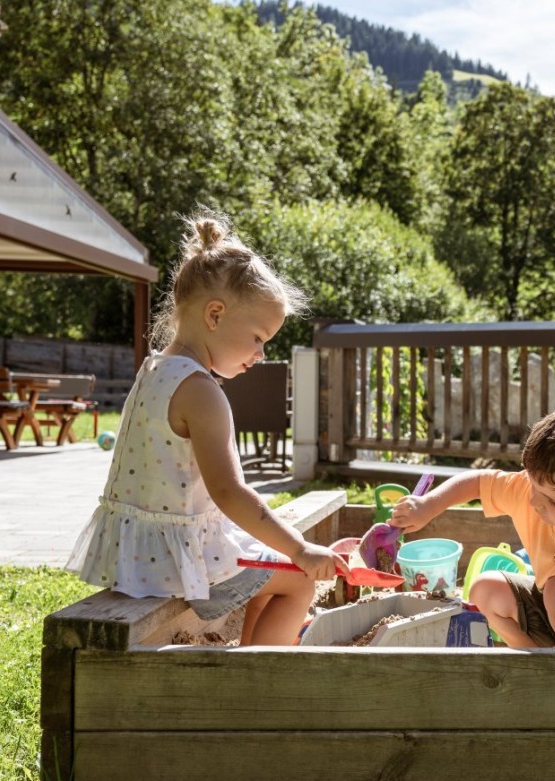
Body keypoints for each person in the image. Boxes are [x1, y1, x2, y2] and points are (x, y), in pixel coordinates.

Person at [66, 210, 346, 645]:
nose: (259, 353)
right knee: (297, 581)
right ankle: (257, 683)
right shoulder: (201, 392)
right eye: (258, 337)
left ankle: (249, 661)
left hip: (139, 551)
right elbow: (230, 492)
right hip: (176, 559)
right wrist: (300, 549)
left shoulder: (154, 369)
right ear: (215, 315)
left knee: (269, 573)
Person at [388, 404, 555, 649]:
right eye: (533, 485)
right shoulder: (536, 492)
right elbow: (479, 482)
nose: (534, 502)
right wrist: (429, 505)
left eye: (554, 503)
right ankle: (533, 656)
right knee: (485, 587)